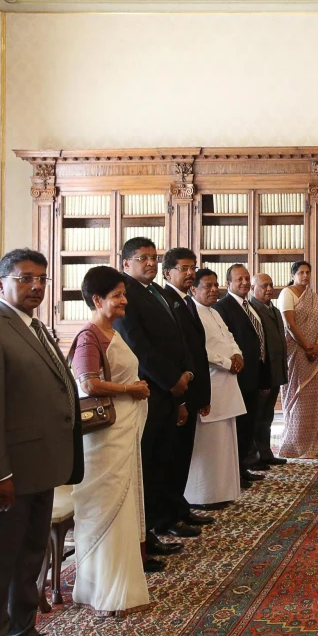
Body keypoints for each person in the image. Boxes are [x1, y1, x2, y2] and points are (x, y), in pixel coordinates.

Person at [0, 249, 81, 636]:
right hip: (9, 472)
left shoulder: (37, 326)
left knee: (30, 559)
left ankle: (23, 634)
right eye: (25, 278)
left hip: (43, 465)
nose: (36, 286)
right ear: (0, 283)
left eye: (42, 280)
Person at [68, 266, 153, 611]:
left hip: (124, 430)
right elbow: (87, 383)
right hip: (104, 437)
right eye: (117, 295)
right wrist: (130, 390)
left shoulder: (112, 331)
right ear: (97, 299)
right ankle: (106, 589)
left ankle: (118, 584)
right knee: (109, 508)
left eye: (123, 294)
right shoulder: (89, 336)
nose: (124, 300)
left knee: (125, 505)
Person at [112, 237, 199, 553]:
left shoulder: (158, 292)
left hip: (172, 390)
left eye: (153, 257)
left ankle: (163, 520)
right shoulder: (125, 296)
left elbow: (179, 337)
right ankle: (144, 535)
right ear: (125, 264)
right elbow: (139, 346)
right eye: (141, 258)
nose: (149, 262)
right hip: (151, 390)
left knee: (166, 460)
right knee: (148, 465)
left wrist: (185, 373)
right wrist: (170, 380)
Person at [159, 248, 214, 527]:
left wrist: (202, 395)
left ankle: (180, 509)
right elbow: (173, 353)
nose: (191, 272)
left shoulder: (187, 300)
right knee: (172, 458)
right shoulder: (165, 301)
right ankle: (168, 517)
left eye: (193, 267)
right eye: (184, 268)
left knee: (183, 456)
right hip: (177, 392)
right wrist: (182, 399)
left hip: (192, 391)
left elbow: (197, 352)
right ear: (167, 273)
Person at [186, 269, 247, 506]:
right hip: (210, 382)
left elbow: (229, 338)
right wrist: (227, 362)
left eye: (215, 285)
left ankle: (224, 491)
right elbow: (200, 350)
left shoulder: (214, 312)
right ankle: (205, 496)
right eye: (207, 286)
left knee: (225, 440)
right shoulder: (194, 314)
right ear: (194, 289)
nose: (214, 290)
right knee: (209, 444)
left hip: (227, 383)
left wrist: (237, 354)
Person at [215, 265, 272, 484]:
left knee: (249, 426)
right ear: (228, 283)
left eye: (247, 278)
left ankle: (243, 467)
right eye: (239, 279)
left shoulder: (252, 306)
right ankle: (234, 473)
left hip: (254, 376)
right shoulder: (223, 307)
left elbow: (260, 342)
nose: (245, 283)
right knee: (238, 428)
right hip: (237, 377)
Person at [277, 261, 318, 458]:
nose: (305, 276)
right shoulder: (286, 294)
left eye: (308, 272)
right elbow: (289, 323)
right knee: (295, 397)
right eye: (301, 272)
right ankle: (294, 445)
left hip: (312, 355)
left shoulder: (314, 298)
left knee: (311, 398)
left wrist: (317, 346)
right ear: (293, 274)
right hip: (294, 351)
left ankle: (311, 445)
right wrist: (306, 346)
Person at [250, 274, 289, 466]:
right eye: (264, 286)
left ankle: (266, 452)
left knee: (268, 416)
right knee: (257, 416)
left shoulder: (273, 309)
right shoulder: (251, 310)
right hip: (262, 374)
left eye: (271, 285)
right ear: (252, 288)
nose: (269, 289)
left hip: (275, 372)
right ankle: (254, 455)